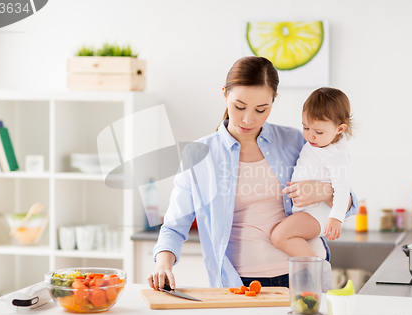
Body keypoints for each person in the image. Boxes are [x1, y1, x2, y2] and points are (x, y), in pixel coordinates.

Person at [148, 56, 358, 292]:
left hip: (303, 273)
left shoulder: (297, 141)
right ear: (225, 94)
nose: (249, 119)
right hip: (239, 283)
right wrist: (163, 264)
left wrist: (324, 191)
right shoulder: (199, 155)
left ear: (273, 100)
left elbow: (349, 204)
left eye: (261, 109)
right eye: (239, 107)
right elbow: (174, 225)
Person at [270, 87, 353, 258]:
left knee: (279, 236)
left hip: (316, 214)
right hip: (306, 212)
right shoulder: (315, 145)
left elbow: (343, 189)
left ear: (339, 129)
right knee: (300, 244)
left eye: (319, 132)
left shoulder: (337, 155)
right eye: (306, 128)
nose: (310, 136)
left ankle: (320, 273)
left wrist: (337, 218)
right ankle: (318, 270)